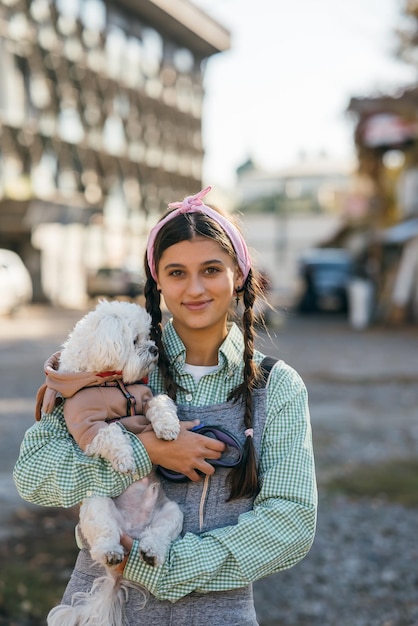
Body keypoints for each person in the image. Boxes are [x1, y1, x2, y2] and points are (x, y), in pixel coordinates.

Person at [14, 186, 317, 625]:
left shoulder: (279, 388)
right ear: (157, 280)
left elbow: (290, 523)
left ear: (239, 273)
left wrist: (158, 565)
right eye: (177, 272)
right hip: (99, 610)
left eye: (211, 269)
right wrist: (146, 452)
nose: (194, 288)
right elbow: (34, 475)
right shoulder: (115, 363)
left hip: (220, 615)